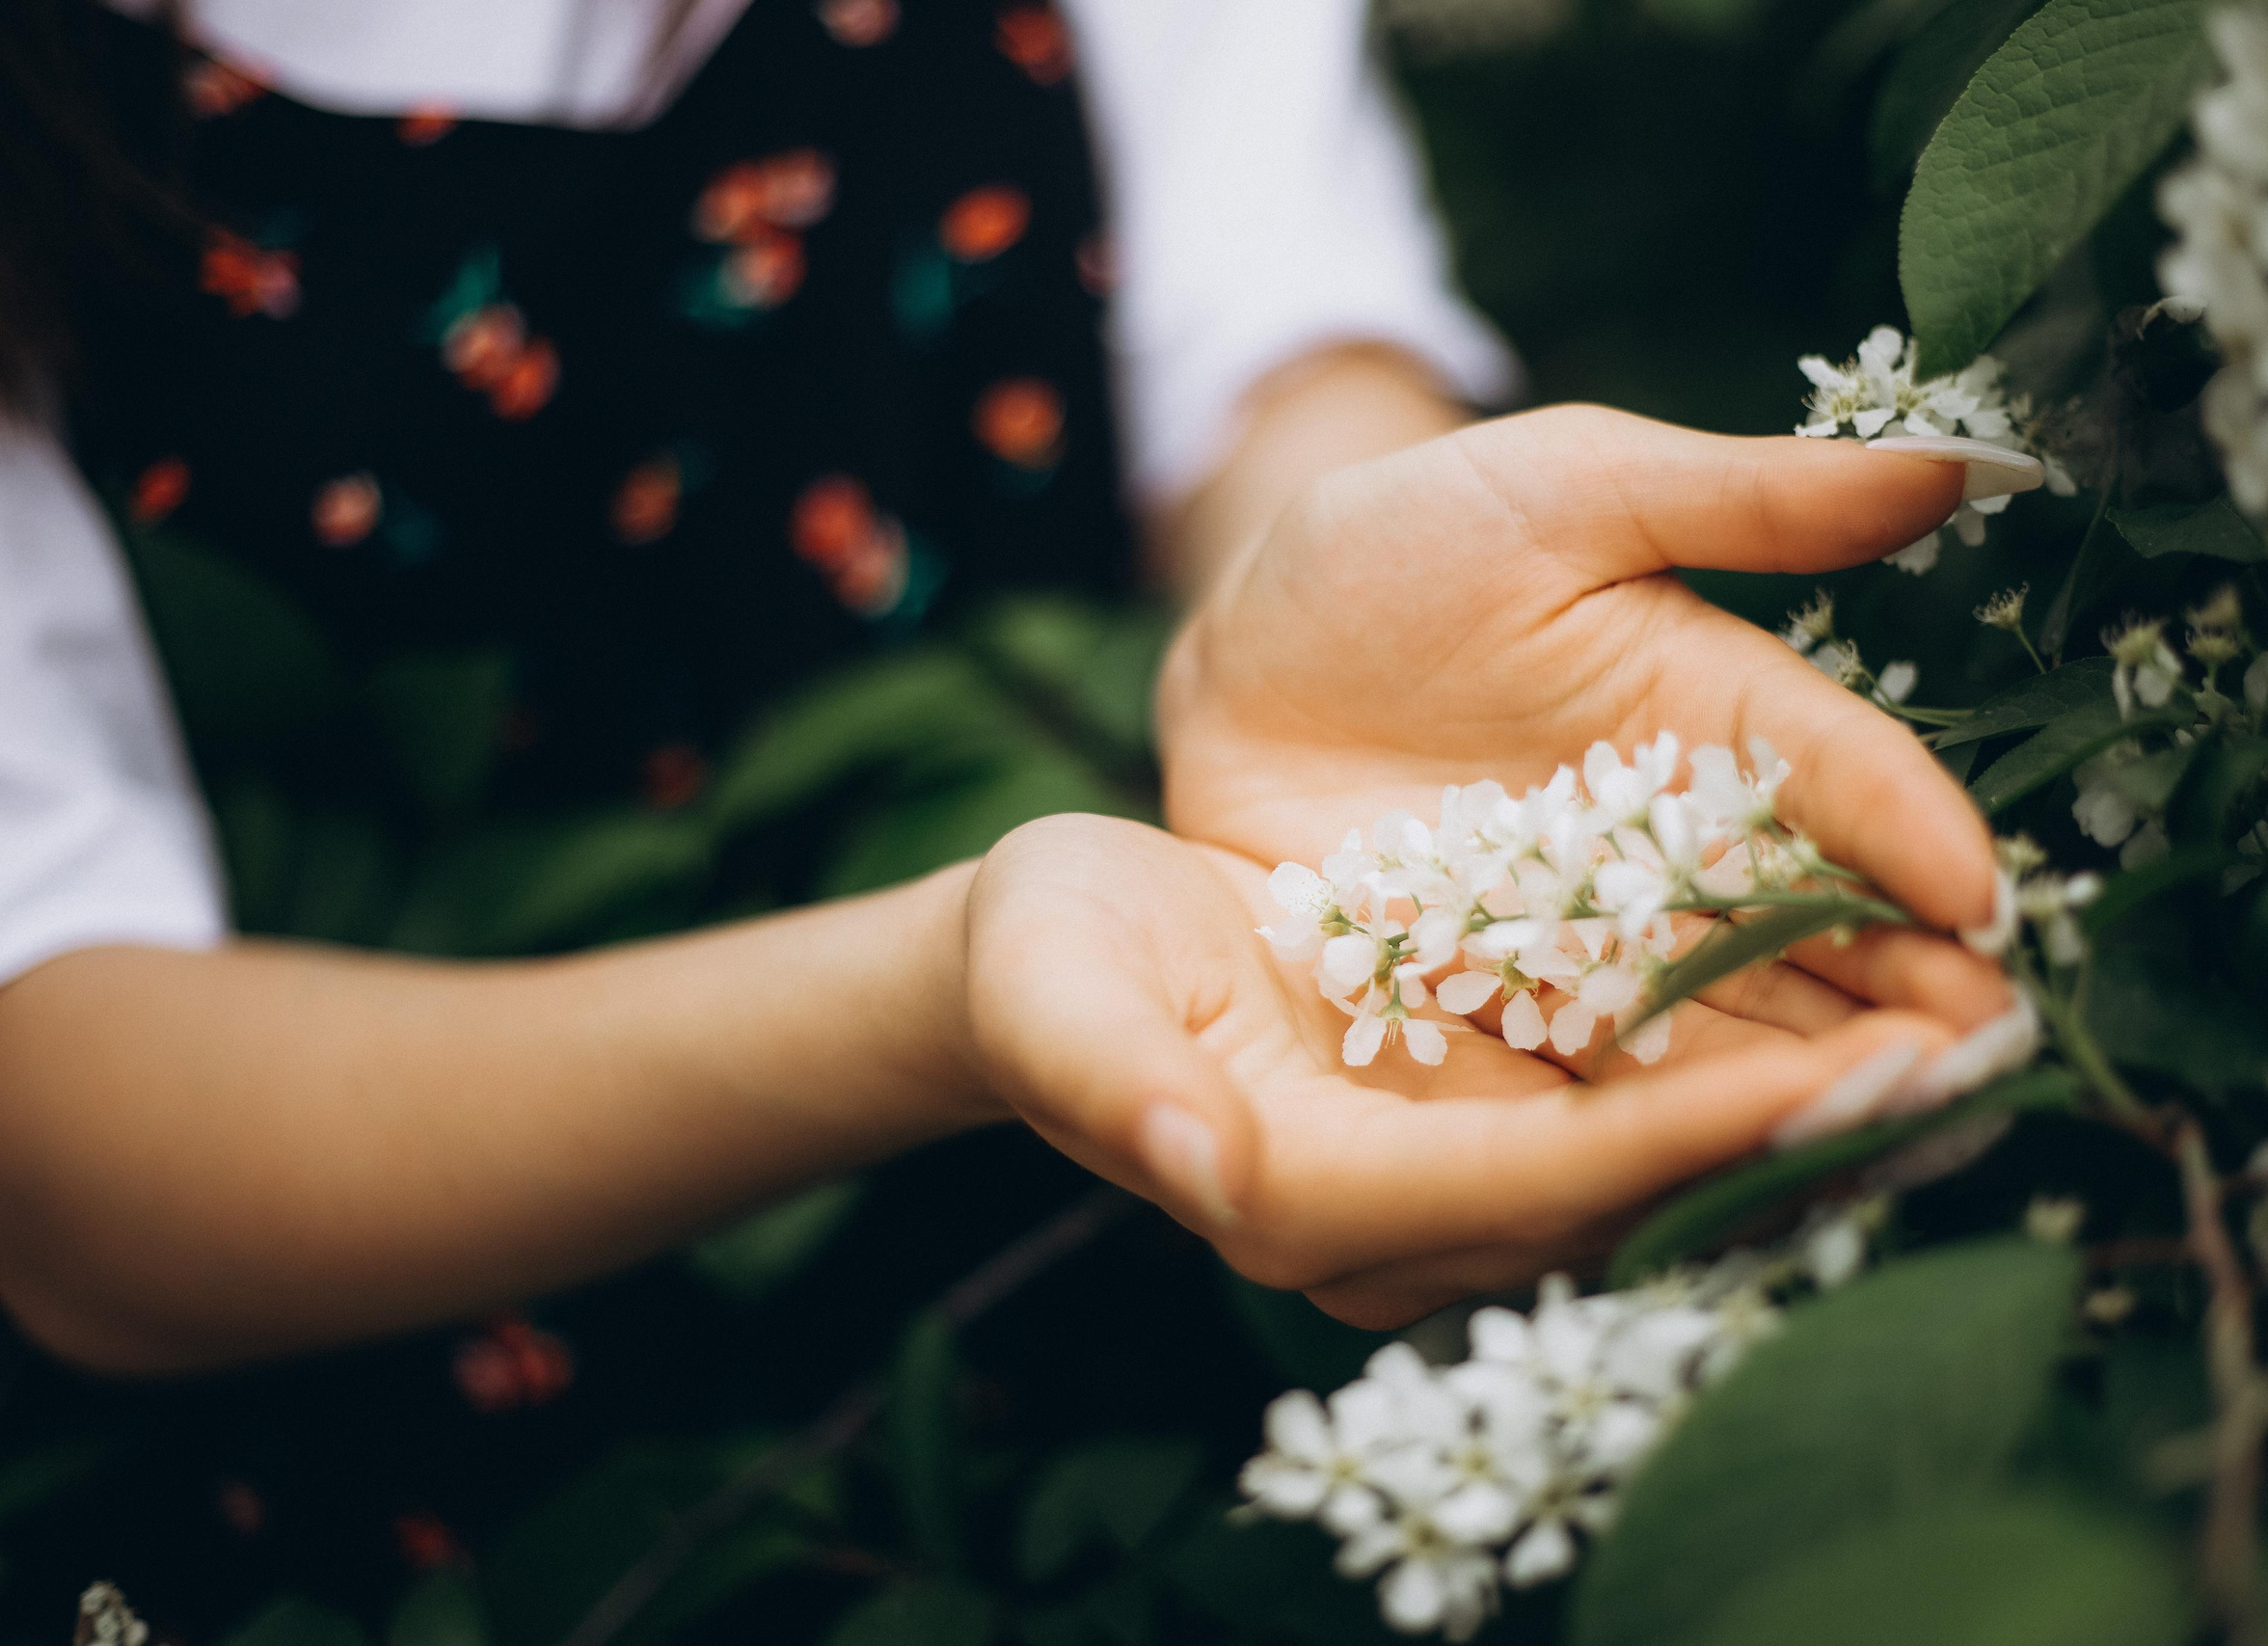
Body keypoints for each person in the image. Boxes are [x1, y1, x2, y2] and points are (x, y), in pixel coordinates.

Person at [0, 0, 2031, 1378]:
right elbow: (66, 1124)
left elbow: (1262, 355)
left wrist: (1359, 582)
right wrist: (950, 979)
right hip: (439, 1452)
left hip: (1142, 1314)